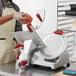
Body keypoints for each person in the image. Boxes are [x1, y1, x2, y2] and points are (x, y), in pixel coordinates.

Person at [0, 0, 32, 64]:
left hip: (11, 49)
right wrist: (12, 16)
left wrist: (18, 47)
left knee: (8, 71)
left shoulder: (16, 7)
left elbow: (18, 30)